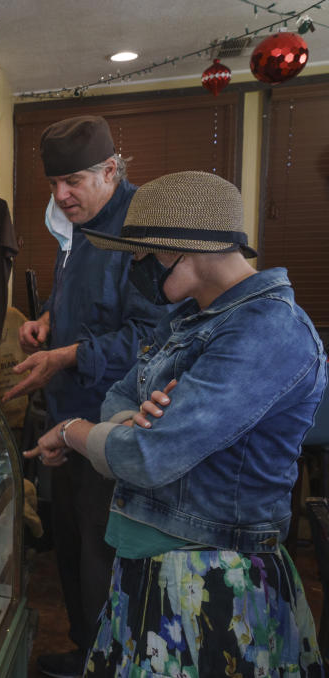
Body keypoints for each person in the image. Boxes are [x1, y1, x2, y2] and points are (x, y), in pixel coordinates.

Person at [25, 170, 327, 677]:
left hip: (213, 584)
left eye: (143, 255)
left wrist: (70, 431)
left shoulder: (267, 330)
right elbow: (122, 396)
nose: (135, 267)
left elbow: (147, 456)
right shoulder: (189, 317)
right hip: (154, 572)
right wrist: (127, 421)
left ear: (187, 250)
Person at [3, 116, 171, 677]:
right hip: (68, 414)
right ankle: (84, 649)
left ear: (110, 169)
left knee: (104, 553)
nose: (60, 195)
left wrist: (66, 357)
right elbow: (87, 301)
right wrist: (50, 321)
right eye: (53, 184)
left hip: (116, 423)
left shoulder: (144, 226)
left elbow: (155, 337)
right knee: (74, 543)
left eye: (72, 181)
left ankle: (111, 662)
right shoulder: (76, 220)